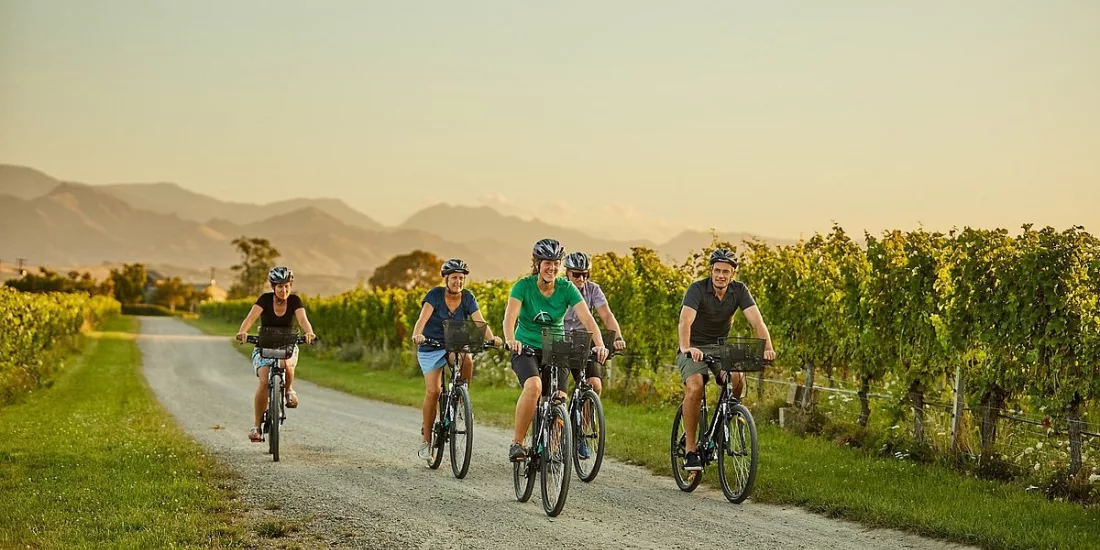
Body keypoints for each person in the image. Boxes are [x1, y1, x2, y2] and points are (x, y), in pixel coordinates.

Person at [502, 239, 609, 462]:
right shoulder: (523, 286)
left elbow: (587, 318)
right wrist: (511, 340)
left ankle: (551, 446)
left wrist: (599, 343)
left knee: (559, 397)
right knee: (534, 387)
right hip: (526, 346)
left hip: (555, 346)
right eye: (547, 262)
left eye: (556, 263)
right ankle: (518, 443)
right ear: (537, 264)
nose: (552, 267)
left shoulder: (566, 288)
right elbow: (510, 317)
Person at [677, 249, 776, 471]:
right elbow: (685, 321)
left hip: (722, 347)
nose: (721, 275)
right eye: (717, 270)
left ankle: (726, 419)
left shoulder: (739, 290)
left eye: (726, 272)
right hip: (695, 347)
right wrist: (686, 347)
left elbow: (757, 322)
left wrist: (767, 347)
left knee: (737, 377)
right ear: (711, 271)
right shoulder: (697, 289)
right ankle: (691, 450)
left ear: (733, 274)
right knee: (695, 387)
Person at [410, 258, 502, 463]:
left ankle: (461, 398)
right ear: (446, 279)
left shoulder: (468, 298)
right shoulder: (434, 295)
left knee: (467, 359)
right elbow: (422, 320)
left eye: (461, 278)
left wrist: (492, 338)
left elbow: (479, 321)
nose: (458, 282)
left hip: (454, 343)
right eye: (454, 278)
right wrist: (418, 334)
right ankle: (427, 441)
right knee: (434, 391)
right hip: (431, 344)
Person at [235, 266, 317, 443]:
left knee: (287, 364)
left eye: (287, 286)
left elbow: (303, 319)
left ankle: (288, 390)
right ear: (273, 287)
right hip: (265, 343)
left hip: (287, 343)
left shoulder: (295, 301)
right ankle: (257, 427)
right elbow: (251, 318)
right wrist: (243, 332)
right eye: (280, 286)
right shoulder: (264, 300)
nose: (284, 290)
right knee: (264, 380)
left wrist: (309, 332)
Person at [561, 251, 626, 459]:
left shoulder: (593, 290)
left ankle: (581, 433)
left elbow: (606, 314)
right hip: (560, 342)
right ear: (568, 273)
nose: (581, 279)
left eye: (585, 274)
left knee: (594, 385)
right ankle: (552, 430)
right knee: (554, 391)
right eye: (577, 275)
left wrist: (616, 337)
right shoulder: (560, 289)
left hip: (585, 342)